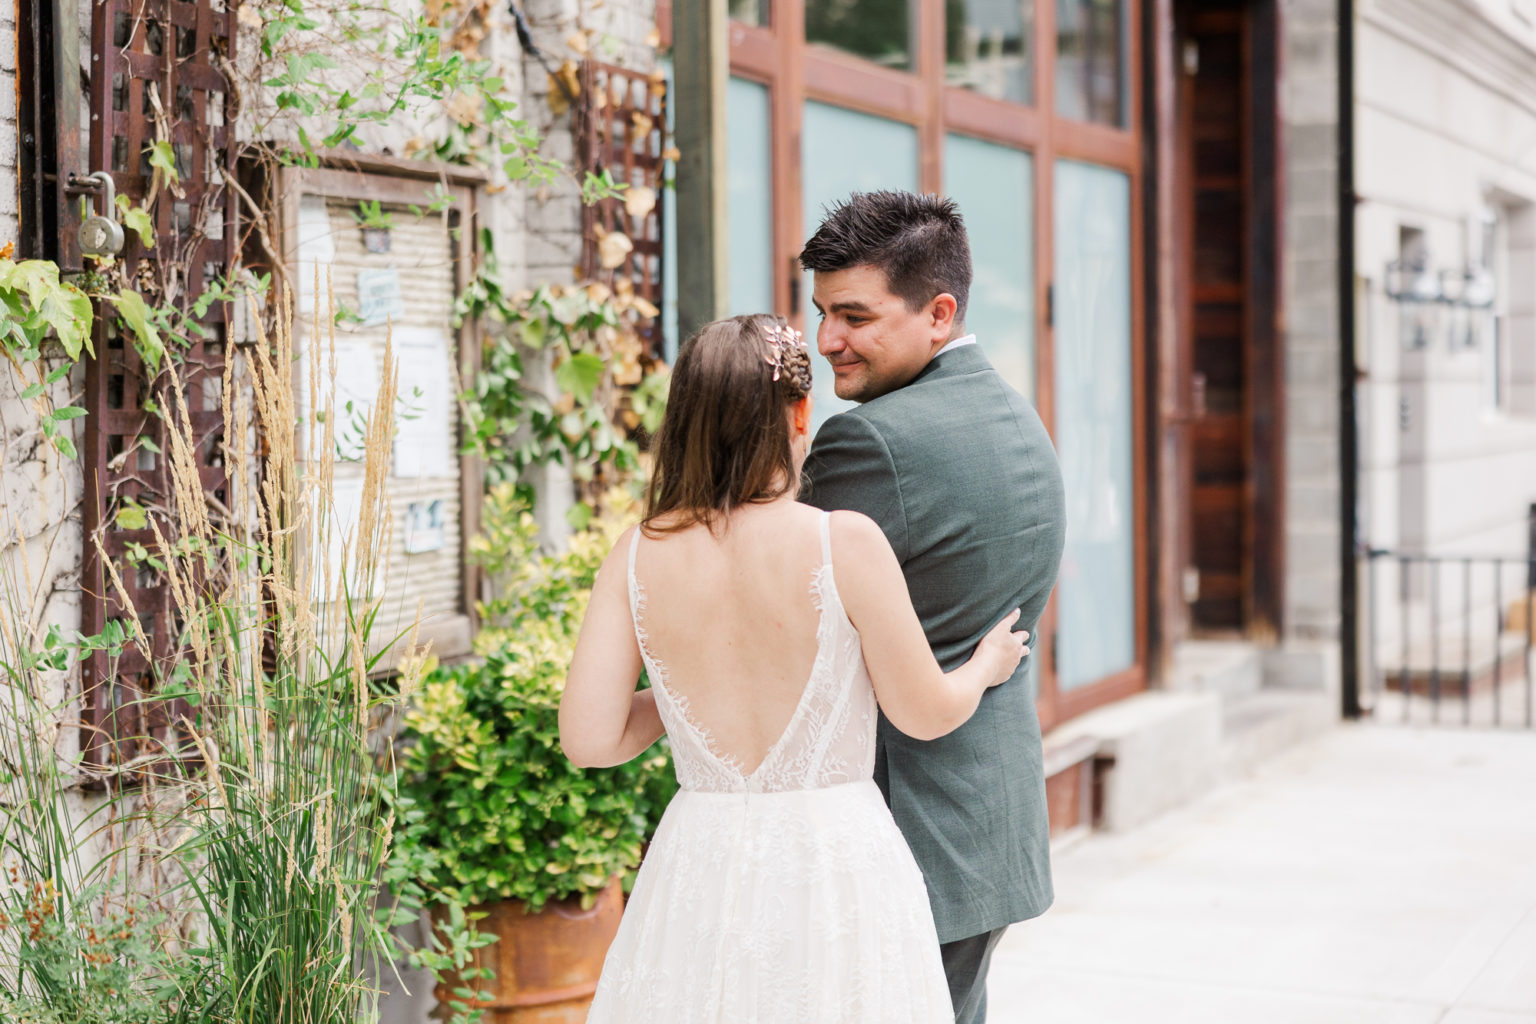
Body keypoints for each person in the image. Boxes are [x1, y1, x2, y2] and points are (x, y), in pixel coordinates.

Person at [560, 313, 1031, 1023]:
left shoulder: (634, 554)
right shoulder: (842, 540)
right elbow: (924, 712)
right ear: (800, 412)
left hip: (701, 863)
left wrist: (687, 697)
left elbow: (590, 740)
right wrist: (986, 666)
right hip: (833, 863)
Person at [798, 189, 1068, 1024]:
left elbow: (789, 608)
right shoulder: (1017, 418)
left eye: (854, 316)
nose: (827, 342)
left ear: (939, 313)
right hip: (987, 821)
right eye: (820, 313)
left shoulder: (871, 440)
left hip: (903, 823)